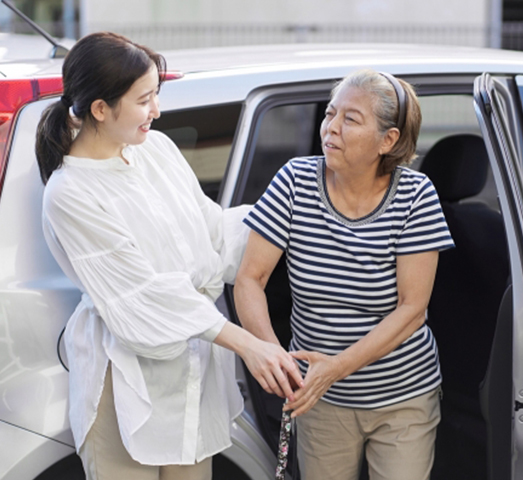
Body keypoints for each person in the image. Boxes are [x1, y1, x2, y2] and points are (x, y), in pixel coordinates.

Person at [36, 32, 302, 480]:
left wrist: (292, 212)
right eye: (144, 101)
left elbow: (211, 230)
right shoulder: (70, 192)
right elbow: (142, 294)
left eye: (155, 96)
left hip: (194, 376)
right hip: (125, 386)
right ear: (100, 109)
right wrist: (247, 344)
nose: (156, 112)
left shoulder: (154, 149)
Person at [235, 69, 455, 480]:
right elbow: (250, 279)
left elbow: (413, 309)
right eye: (330, 114)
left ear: (387, 140)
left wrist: (335, 368)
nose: (330, 129)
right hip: (319, 400)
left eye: (350, 120)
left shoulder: (416, 195)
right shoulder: (295, 181)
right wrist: (274, 356)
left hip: (402, 395)